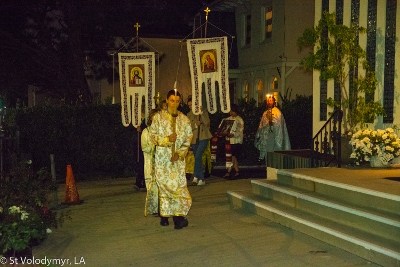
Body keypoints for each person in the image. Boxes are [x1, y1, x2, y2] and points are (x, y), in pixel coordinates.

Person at [149, 89, 193, 229]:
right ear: (167, 100)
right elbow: (152, 137)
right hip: (163, 160)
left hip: (177, 161)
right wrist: (167, 139)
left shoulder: (184, 119)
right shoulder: (158, 118)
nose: (175, 104)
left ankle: (178, 218)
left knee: (178, 188)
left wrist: (180, 153)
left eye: (178, 101)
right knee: (166, 187)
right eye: (172, 100)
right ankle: (165, 214)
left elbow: (188, 138)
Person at [255, 96, 291, 167]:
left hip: (274, 136)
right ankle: (268, 167)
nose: (269, 102)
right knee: (267, 152)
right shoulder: (265, 113)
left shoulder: (277, 112)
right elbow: (261, 124)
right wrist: (260, 133)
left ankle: (274, 167)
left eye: (271, 100)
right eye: (268, 100)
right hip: (265, 136)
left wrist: (272, 123)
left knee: (272, 152)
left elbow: (279, 125)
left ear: (274, 102)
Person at [186, 97, 213, 186]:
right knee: (196, 157)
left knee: (198, 155)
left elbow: (207, 122)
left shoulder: (203, 111)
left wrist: (201, 113)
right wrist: (195, 125)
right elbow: (188, 127)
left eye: (191, 105)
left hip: (203, 136)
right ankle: (197, 176)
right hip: (194, 138)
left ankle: (200, 177)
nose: (190, 107)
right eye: (188, 105)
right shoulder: (189, 114)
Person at [142, 109, 159, 216]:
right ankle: (153, 208)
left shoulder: (162, 131)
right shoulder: (146, 132)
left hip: (160, 163)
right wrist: (153, 145)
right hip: (149, 162)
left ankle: (161, 207)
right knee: (151, 186)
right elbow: (144, 148)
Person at [222, 104, 244, 179]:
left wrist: (233, 135)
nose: (231, 113)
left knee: (233, 156)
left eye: (233, 111)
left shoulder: (239, 119)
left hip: (236, 140)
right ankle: (237, 171)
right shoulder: (228, 119)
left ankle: (229, 171)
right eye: (230, 111)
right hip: (229, 140)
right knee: (232, 156)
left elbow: (240, 131)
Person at [134, 113, 147, 191]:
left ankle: (142, 182)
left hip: (145, 145)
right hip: (139, 145)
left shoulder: (146, 120)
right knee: (140, 164)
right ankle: (139, 182)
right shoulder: (135, 119)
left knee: (144, 164)